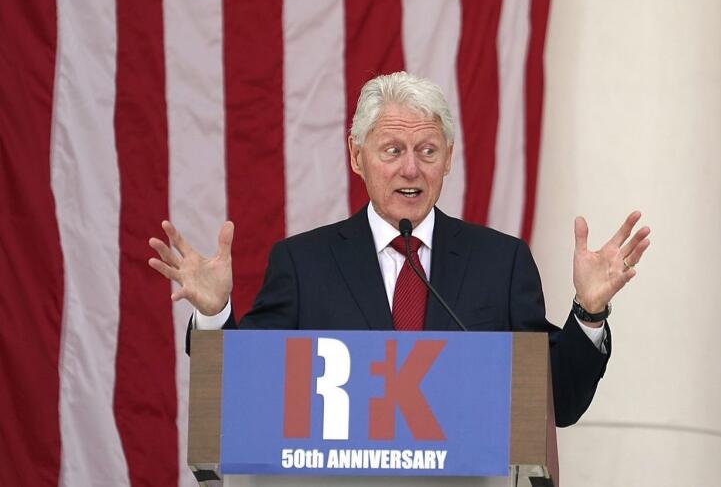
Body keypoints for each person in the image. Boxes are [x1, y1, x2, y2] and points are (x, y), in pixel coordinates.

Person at [147, 71, 650, 426]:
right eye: (392, 150)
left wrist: (589, 311)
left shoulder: (500, 262)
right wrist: (215, 315)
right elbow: (247, 390)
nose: (411, 169)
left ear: (447, 159)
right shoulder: (304, 265)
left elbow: (556, 403)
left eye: (427, 151)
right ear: (356, 156)